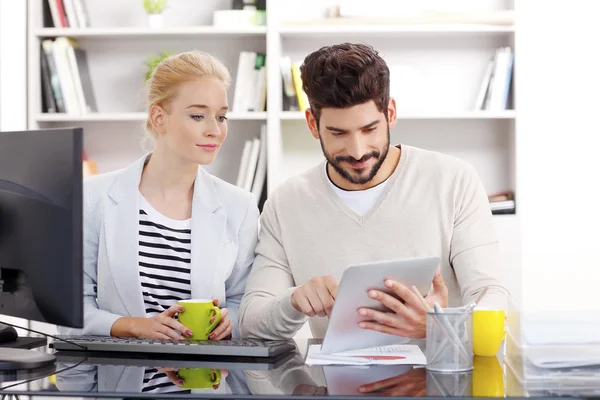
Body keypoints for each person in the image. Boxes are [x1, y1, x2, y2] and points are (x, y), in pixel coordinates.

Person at [238, 43, 510, 341]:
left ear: (390, 113)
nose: (357, 151)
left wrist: (440, 326)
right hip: (335, 386)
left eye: (369, 129)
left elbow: (493, 297)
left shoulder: (454, 181)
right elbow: (251, 322)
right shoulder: (286, 203)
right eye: (338, 133)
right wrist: (292, 303)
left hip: (440, 380)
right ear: (313, 125)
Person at [59, 50, 259, 342]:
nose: (215, 130)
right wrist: (135, 326)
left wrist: (232, 324)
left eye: (221, 116)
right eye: (198, 116)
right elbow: (70, 314)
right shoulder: (92, 198)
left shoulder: (239, 206)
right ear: (158, 118)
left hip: (206, 380)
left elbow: (246, 304)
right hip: (117, 381)